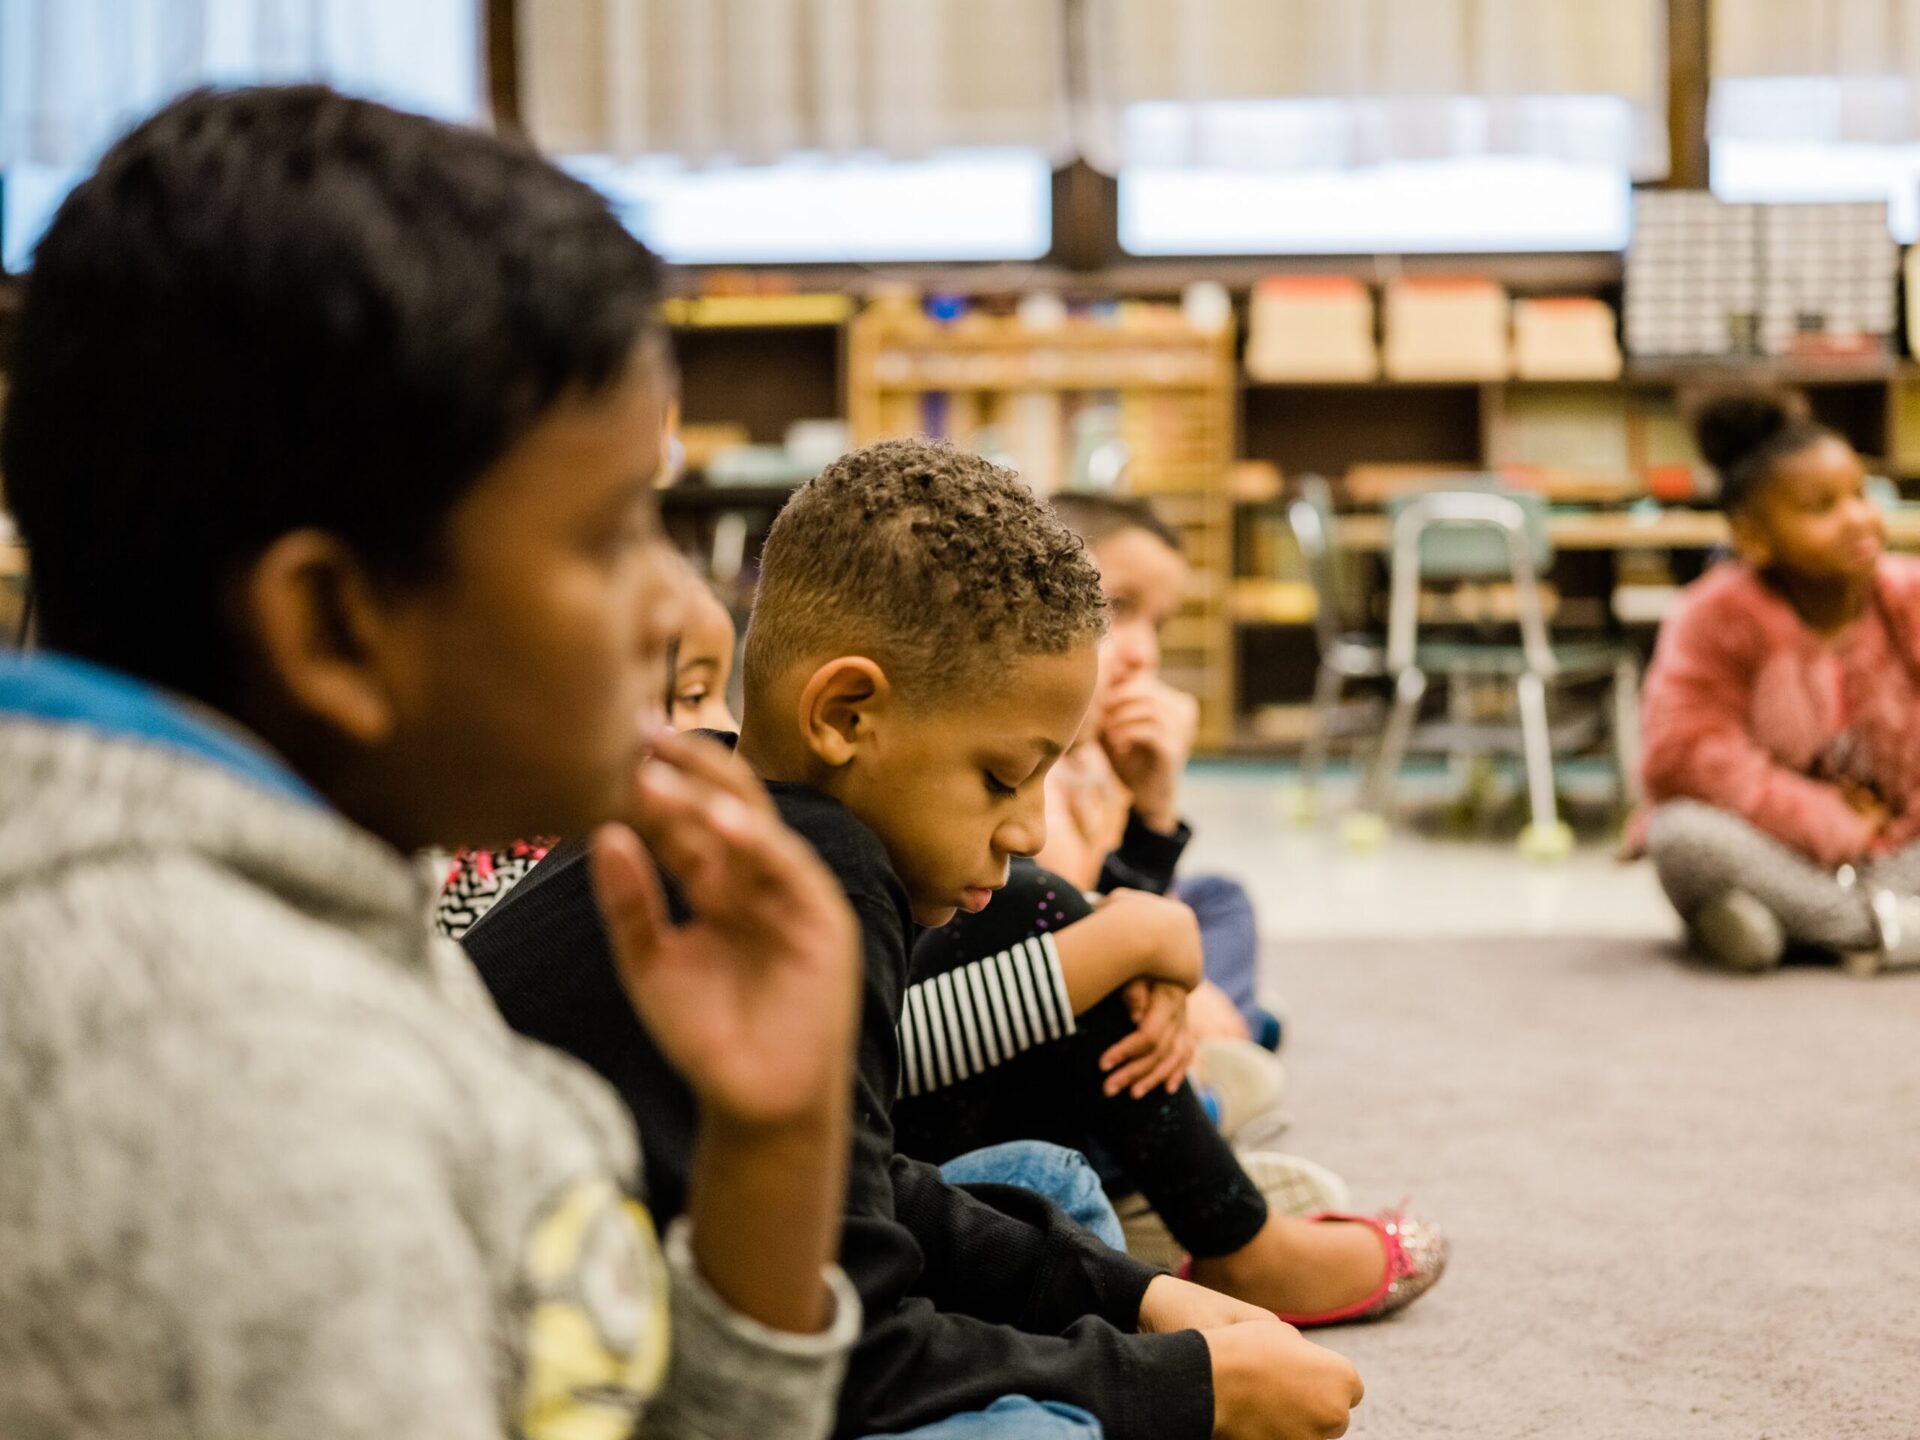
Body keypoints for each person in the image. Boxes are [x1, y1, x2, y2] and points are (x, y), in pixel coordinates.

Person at [0, 85, 866, 1440]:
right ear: (333, 627)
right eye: (609, 536)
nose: (673, 607)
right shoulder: (239, 1083)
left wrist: (769, 1152)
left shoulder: (316, 899)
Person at [465, 439, 1372, 1440]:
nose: (1027, 831)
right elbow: (855, 1355)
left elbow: (856, 1184)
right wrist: (1187, 1388)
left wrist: (1141, 1303)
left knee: (1046, 1189)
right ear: (846, 715)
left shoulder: (722, 791)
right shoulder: (828, 870)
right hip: (561, 1362)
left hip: (663, 1259)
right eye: (1000, 778)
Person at [1641, 389, 1920, 972]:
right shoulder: (1713, 615)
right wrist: (1825, 818)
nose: (1857, 519)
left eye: (1861, 495)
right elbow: (1686, 754)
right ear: (1754, 539)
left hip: (1898, 845)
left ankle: (1789, 925)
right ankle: (1874, 927)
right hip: (1775, 847)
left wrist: (1892, 828)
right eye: (1822, 508)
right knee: (1680, 836)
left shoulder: (1907, 596)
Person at [1044, 494, 1280, 1048]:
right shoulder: (1034, 767)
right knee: (1219, 983)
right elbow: (1080, 926)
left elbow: (1141, 892)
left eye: (1159, 626)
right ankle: (1227, 1040)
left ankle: (1225, 1027)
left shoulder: (1099, 751)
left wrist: (1152, 800)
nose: (1144, 654)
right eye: (1119, 608)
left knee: (1221, 897)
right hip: (1068, 981)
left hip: (1113, 935)